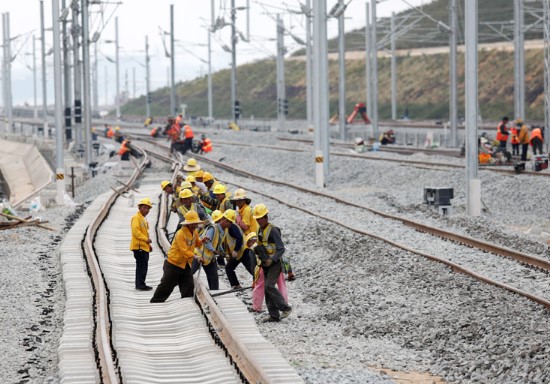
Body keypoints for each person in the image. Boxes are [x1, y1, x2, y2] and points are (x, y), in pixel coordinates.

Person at [150, 211, 203, 303]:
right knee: (166, 285)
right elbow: (184, 251)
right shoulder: (180, 234)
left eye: (195, 223)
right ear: (188, 223)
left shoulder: (194, 232)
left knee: (188, 285)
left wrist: (203, 241)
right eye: (192, 223)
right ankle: (155, 302)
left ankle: (187, 303)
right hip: (173, 264)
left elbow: (197, 243)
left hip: (185, 264)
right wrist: (196, 257)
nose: (194, 225)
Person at [251, 203, 292, 322]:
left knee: (269, 285)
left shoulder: (274, 230)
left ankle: (286, 308)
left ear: (266, 217)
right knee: (266, 289)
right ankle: (274, 315)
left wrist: (272, 259)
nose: (259, 221)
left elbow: (281, 249)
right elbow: (259, 245)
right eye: (257, 219)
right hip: (265, 263)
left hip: (275, 263)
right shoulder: (259, 230)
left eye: (261, 218)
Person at [248, 232, 288, 313]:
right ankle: (285, 303)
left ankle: (256, 307)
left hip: (262, 268)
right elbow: (283, 256)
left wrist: (254, 280)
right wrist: (289, 271)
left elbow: (253, 265)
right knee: (281, 284)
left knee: (260, 286)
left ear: (249, 241)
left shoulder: (252, 249)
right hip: (277, 265)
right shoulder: (268, 244)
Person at [192, 210, 225, 290]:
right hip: (199, 256)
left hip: (209, 258)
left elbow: (218, 242)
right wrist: (214, 251)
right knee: (190, 272)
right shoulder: (213, 229)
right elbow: (207, 242)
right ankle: (181, 285)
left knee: (213, 278)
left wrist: (221, 251)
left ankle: (214, 293)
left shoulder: (220, 231)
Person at [130, 198, 154, 291]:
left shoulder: (142, 218)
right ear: (139, 208)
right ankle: (140, 285)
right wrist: (146, 240)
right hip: (139, 247)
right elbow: (136, 232)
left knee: (143, 266)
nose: (146, 210)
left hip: (143, 246)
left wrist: (148, 245)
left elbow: (144, 232)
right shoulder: (136, 218)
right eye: (144, 208)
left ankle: (140, 284)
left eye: (148, 209)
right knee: (141, 266)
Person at [218, 209, 247, 282]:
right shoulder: (226, 228)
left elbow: (239, 238)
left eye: (223, 219)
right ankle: (236, 285)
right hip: (238, 253)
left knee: (251, 268)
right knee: (229, 268)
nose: (221, 221)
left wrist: (235, 250)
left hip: (244, 251)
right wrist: (228, 254)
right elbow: (225, 243)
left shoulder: (232, 227)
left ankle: (259, 283)